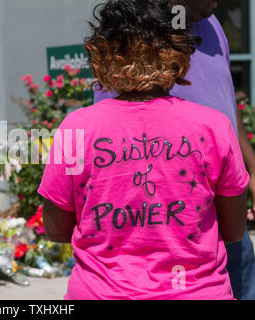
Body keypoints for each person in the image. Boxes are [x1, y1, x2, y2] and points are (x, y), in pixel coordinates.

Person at [38, 0, 249, 299]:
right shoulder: (215, 127)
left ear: (103, 56)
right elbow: (233, 231)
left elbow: (57, 230)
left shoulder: (74, 129)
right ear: (177, 54)